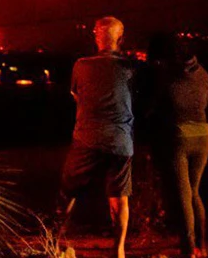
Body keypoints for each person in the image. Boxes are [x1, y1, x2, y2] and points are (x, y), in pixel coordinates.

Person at [60, 16, 136, 258]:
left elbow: (76, 96)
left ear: (96, 38)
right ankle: (119, 249)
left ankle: (55, 238)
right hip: (120, 140)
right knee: (119, 197)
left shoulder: (81, 65)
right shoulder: (130, 67)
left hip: (87, 137)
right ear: (120, 39)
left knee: (68, 189)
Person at [148, 33, 208, 258]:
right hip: (203, 134)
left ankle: (188, 249)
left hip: (179, 135)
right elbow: (205, 103)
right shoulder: (204, 74)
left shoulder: (167, 76)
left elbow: (157, 105)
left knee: (183, 196)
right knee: (195, 192)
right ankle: (201, 247)